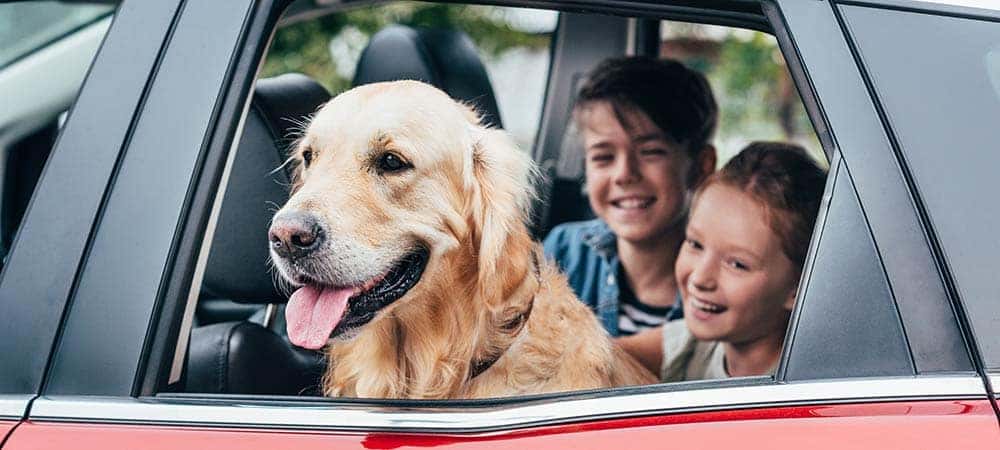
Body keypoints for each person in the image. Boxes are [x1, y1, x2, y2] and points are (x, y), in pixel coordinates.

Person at [619, 142, 826, 380]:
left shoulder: (808, 385)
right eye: (695, 244)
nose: (699, 278)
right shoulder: (693, 344)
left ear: (798, 288)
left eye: (737, 264)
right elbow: (595, 358)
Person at [543, 56, 718, 337]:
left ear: (701, 166)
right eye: (603, 157)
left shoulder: (722, 286)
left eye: (650, 152)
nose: (624, 174)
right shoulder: (563, 252)